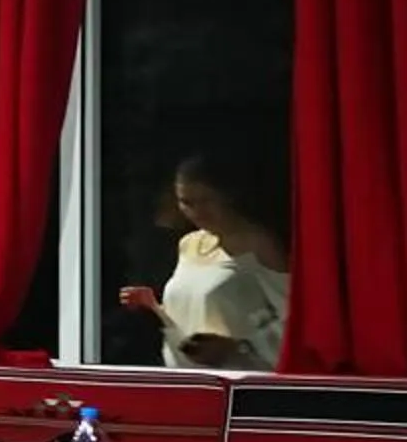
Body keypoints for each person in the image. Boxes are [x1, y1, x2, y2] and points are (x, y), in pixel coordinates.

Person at [120, 153, 291, 369]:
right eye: (186, 202)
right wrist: (154, 306)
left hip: (240, 378)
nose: (197, 212)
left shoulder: (258, 243)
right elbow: (190, 319)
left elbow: (295, 318)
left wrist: (239, 347)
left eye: (206, 200)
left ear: (228, 196)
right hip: (186, 379)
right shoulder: (188, 243)